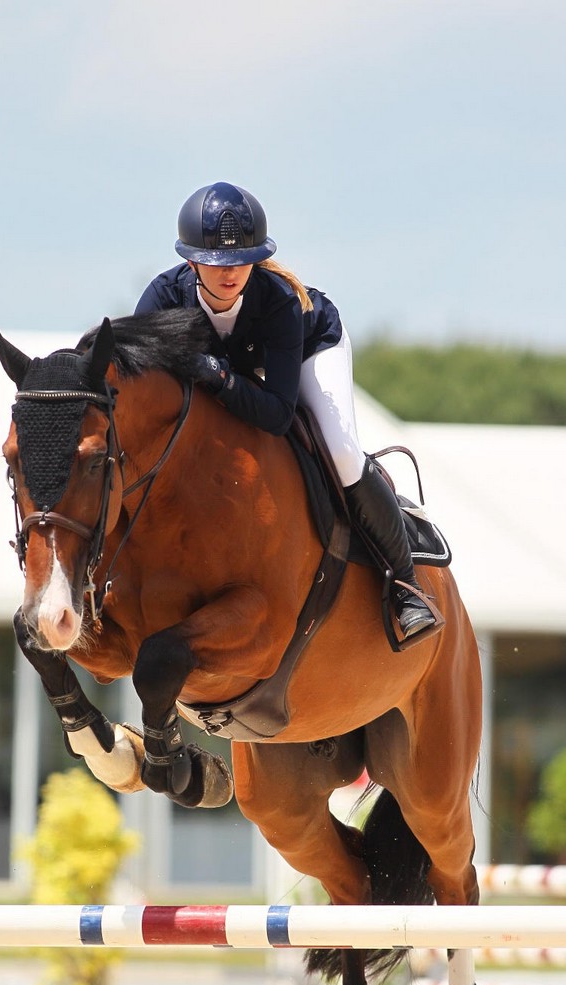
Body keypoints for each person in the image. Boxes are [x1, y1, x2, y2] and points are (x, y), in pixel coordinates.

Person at [135, 181, 437, 641]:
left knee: (341, 453)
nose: (230, 272)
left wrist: (217, 376)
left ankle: (405, 585)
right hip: (241, 367)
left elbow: (277, 414)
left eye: (241, 260)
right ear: (191, 260)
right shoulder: (162, 301)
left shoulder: (278, 301)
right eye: (216, 262)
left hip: (310, 347)